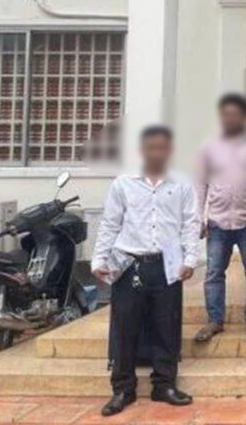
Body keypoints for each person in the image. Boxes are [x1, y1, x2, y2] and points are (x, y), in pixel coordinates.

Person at [91, 125, 198, 416]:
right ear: (142, 151)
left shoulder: (182, 184)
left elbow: (190, 224)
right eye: (151, 147)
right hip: (129, 264)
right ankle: (123, 389)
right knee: (126, 328)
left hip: (168, 264)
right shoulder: (123, 184)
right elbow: (110, 223)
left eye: (162, 147)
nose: (157, 153)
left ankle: (164, 384)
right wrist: (98, 259)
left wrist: (190, 260)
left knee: (167, 326)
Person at [194, 94, 246, 343]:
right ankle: (214, 320)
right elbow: (200, 183)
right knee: (214, 273)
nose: (231, 118)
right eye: (226, 114)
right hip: (217, 221)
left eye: (236, 114)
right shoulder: (209, 147)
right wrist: (198, 217)